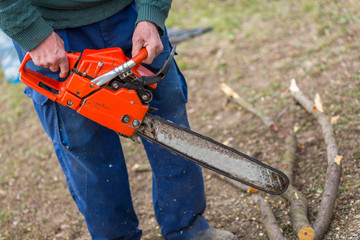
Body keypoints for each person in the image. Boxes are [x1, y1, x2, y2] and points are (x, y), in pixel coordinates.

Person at [0, 1, 237, 239]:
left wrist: (151, 14)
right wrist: (31, 31)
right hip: (51, 31)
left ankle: (189, 228)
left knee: (168, 116)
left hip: (130, 15)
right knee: (87, 146)